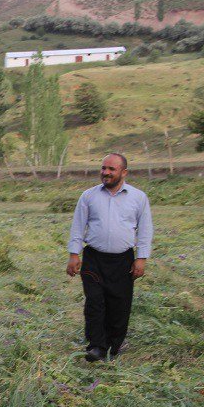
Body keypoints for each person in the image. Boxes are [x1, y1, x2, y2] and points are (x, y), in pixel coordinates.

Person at [67, 153, 153, 362]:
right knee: (95, 302)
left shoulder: (138, 197)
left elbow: (145, 230)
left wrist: (141, 258)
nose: (105, 172)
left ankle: (114, 345)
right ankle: (96, 346)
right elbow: (78, 226)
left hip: (123, 260)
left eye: (111, 169)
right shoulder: (88, 196)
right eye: (103, 168)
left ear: (124, 172)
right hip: (94, 259)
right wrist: (73, 254)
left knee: (119, 303)